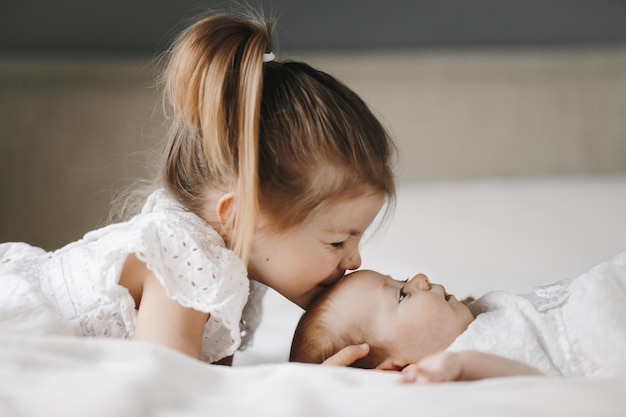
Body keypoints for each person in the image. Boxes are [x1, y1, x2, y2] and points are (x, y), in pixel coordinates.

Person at [0, 11, 395, 365]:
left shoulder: (228, 264)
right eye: (338, 241)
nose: (355, 260)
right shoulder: (188, 258)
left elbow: (207, 385)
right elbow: (169, 393)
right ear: (239, 216)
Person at [290, 251, 626, 382]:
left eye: (404, 280)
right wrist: (464, 366)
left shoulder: (464, 329)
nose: (420, 278)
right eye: (403, 294)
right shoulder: (459, 367)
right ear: (398, 367)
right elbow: (535, 383)